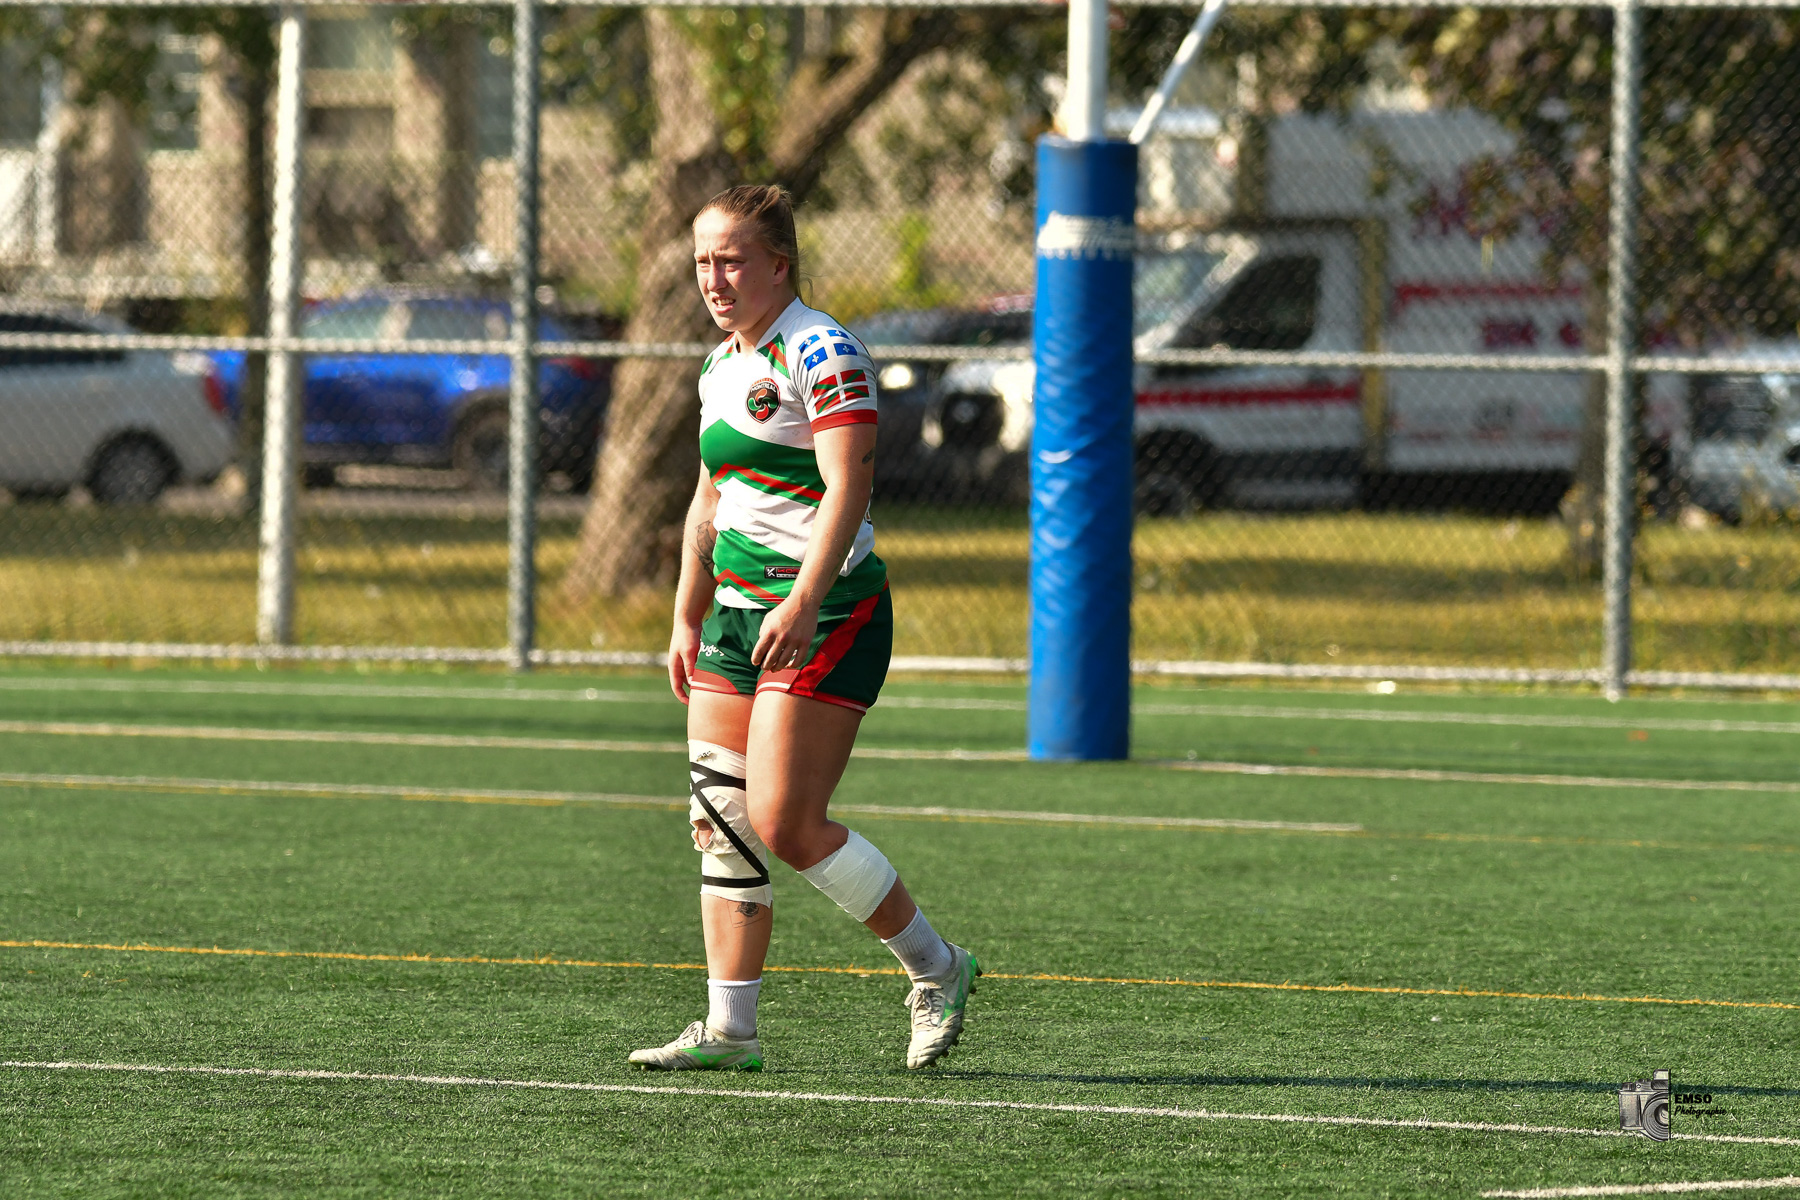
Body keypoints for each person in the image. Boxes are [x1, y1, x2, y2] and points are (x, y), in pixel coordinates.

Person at [629, 184, 979, 1073]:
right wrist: (685, 611)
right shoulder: (720, 365)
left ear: (778, 265)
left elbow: (850, 486)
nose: (714, 277)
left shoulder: (822, 350)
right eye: (704, 260)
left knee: (786, 821)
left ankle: (937, 968)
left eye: (733, 259)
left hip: (830, 609)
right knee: (721, 819)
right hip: (737, 618)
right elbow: (709, 501)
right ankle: (729, 1032)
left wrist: (802, 598)